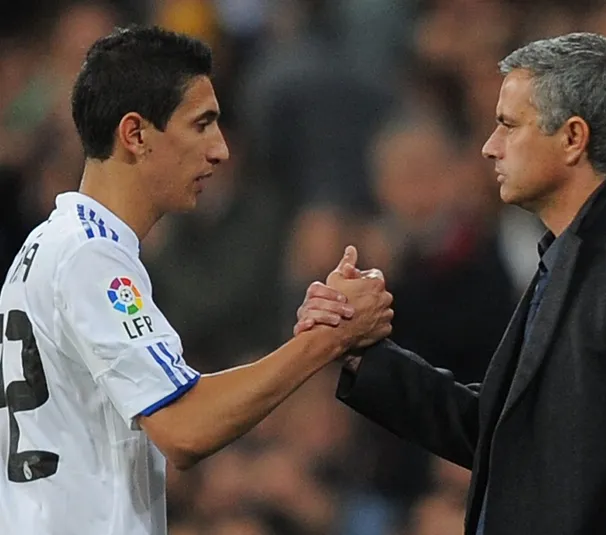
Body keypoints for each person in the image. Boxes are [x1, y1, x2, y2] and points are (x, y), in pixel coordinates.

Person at [295, 32, 606, 534]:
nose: (489, 147)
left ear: (573, 138)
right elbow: (508, 437)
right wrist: (361, 353)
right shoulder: (572, 254)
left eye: (509, 126)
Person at [0, 25, 393, 535]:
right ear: (135, 134)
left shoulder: (50, 244)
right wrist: (329, 337)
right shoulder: (89, 255)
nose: (220, 150)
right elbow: (185, 427)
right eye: (201, 124)